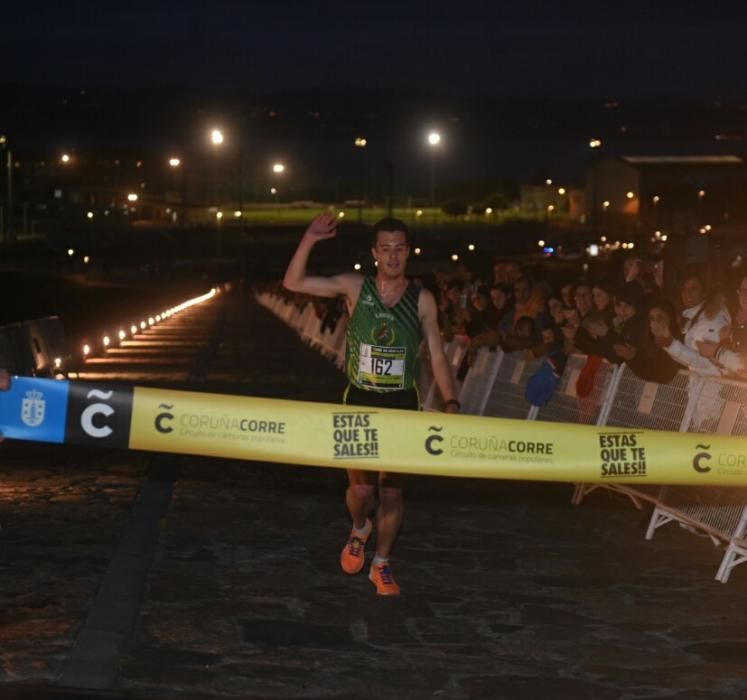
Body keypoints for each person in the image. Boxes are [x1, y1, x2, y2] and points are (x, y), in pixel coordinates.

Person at [283, 213, 459, 596]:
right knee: (361, 493)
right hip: (359, 401)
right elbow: (292, 282)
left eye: (400, 249)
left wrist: (451, 402)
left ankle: (381, 563)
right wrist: (310, 238)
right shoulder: (354, 286)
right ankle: (360, 527)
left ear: (408, 253)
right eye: (386, 249)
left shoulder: (422, 299)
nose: (393, 257)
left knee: (392, 491)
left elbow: (438, 357)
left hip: (401, 405)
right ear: (375, 253)